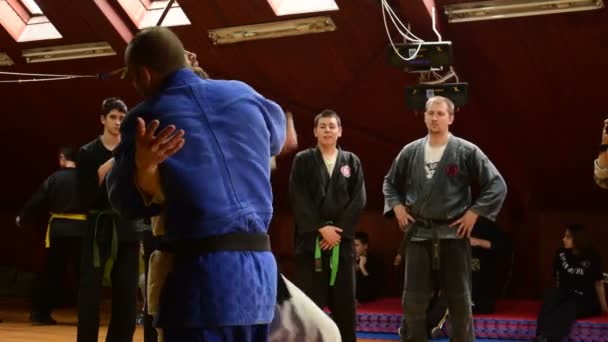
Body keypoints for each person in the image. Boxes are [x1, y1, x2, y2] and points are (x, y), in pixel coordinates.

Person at [107, 27, 284, 341]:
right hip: (259, 281)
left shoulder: (146, 117)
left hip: (201, 283)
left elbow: (124, 202)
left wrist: (141, 167)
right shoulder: (244, 94)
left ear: (144, 75)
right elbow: (277, 138)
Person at [382, 96, 507, 342]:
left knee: (460, 299)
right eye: (431, 113)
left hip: (453, 232)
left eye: (440, 113)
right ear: (424, 116)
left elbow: (497, 184)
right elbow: (389, 183)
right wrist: (396, 206)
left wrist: (474, 212)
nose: (435, 118)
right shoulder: (411, 151)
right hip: (418, 233)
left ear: (450, 118)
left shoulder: (465, 150)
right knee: (414, 300)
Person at [289, 109, 366, 342]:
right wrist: (321, 228)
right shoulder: (303, 160)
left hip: (341, 243)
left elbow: (359, 199)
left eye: (332, 126)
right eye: (322, 126)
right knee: (310, 304)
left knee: (344, 304)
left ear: (340, 131)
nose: (327, 130)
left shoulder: (351, 161)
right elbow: (297, 195)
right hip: (312, 241)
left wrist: (338, 231)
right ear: (315, 131)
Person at [76, 97, 144, 342]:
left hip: (126, 227)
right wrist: (106, 166)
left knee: (126, 293)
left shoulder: (132, 151)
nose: (117, 122)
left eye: (122, 118)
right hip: (97, 227)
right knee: (89, 292)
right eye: (113, 117)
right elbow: (83, 196)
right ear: (103, 119)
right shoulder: (87, 152)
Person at [17, 147, 86, 325]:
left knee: (52, 273)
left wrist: (23, 217)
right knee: (84, 275)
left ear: (62, 158)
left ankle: (40, 314)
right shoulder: (88, 179)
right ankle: (87, 317)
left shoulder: (54, 178)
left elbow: (38, 200)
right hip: (83, 230)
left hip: (58, 231)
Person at [534, 224, 608, 342]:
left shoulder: (592, 256)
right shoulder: (561, 253)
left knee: (567, 308)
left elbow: (598, 282)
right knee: (551, 299)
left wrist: (604, 306)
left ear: (578, 239)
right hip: (565, 293)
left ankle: (550, 338)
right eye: (564, 236)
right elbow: (558, 279)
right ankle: (540, 336)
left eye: (568, 237)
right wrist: (556, 296)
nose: (564, 239)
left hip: (585, 298)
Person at [354, 232, 382, 304]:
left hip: (368, 298)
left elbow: (374, 287)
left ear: (365, 246)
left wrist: (362, 268)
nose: (353, 248)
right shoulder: (348, 260)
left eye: (356, 245)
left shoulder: (374, 261)